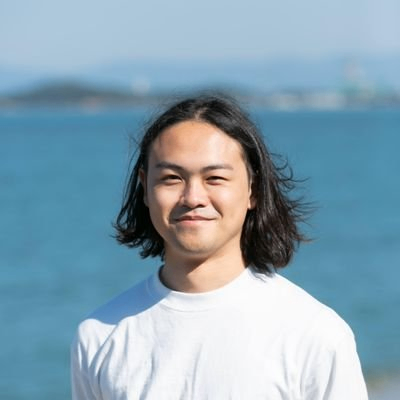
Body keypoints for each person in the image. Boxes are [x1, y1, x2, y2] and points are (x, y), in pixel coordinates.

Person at [71, 95, 368, 399]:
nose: (193, 197)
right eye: (171, 178)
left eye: (215, 178)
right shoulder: (98, 335)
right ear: (145, 186)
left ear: (253, 189)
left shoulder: (315, 335)